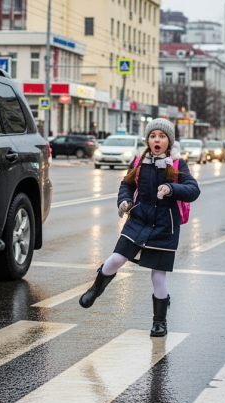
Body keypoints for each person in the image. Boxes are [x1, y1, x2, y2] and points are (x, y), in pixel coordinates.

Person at [78, 118, 200, 337]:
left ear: (169, 141)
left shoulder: (177, 163)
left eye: (162, 136)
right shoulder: (139, 162)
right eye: (153, 136)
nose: (157, 140)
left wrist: (171, 189)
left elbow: (193, 190)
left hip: (165, 226)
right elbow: (126, 184)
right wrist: (124, 201)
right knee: (116, 259)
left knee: (158, 276)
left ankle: (159, 322)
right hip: (139, 219)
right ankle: (96, 289)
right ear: (148, 140)